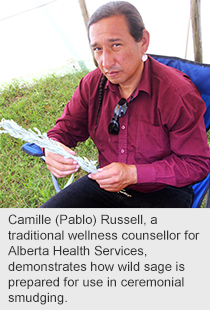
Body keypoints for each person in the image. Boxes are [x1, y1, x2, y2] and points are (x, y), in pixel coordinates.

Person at [40, 1, 210, 208]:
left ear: (143, 42)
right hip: (105, 184)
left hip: (162, 190)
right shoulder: (92, 84)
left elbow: (196, 164)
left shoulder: (177, 94)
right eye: (97, 49)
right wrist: (52, 147)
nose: (106, 62)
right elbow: (64, 130)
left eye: (116, 45)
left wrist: (133, 174)